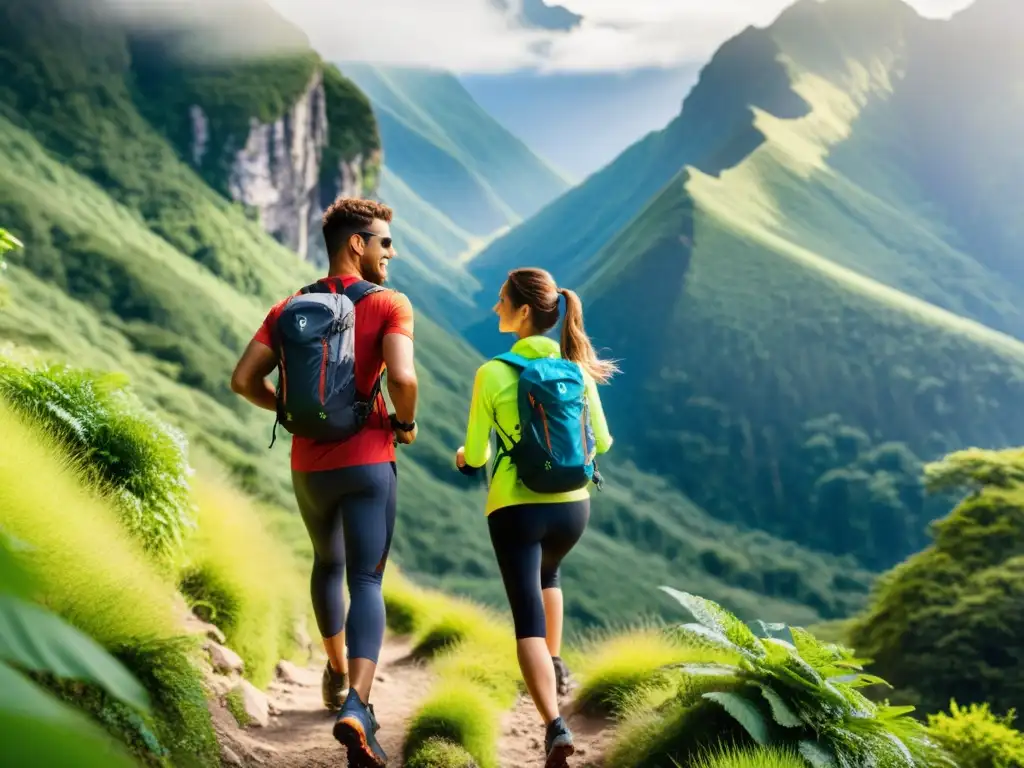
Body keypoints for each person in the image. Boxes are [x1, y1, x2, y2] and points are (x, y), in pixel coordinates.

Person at [230, 197, 417, 768]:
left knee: (327, 565)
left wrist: (287, 411)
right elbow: (403, 378)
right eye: (384, 241)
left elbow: (243, 380)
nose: (391, 251)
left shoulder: (289, 306)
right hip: (368, 461)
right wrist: (403, 424)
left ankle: (334, 674)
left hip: (309, 465)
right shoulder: (389, 303)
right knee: (366, 577)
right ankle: (357, 705)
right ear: (357, 244)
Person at [454, 267, 615, 768]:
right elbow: (603, 443)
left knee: (526, 617)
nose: (495, 307)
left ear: (524, 311)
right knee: (552, 573)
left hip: (516, 510)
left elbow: (478, 456)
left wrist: (463, 456)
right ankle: (557, 659)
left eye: (502, 300)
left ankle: (554, 725)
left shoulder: (492, 373)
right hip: (573, 508)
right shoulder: (577, 370)